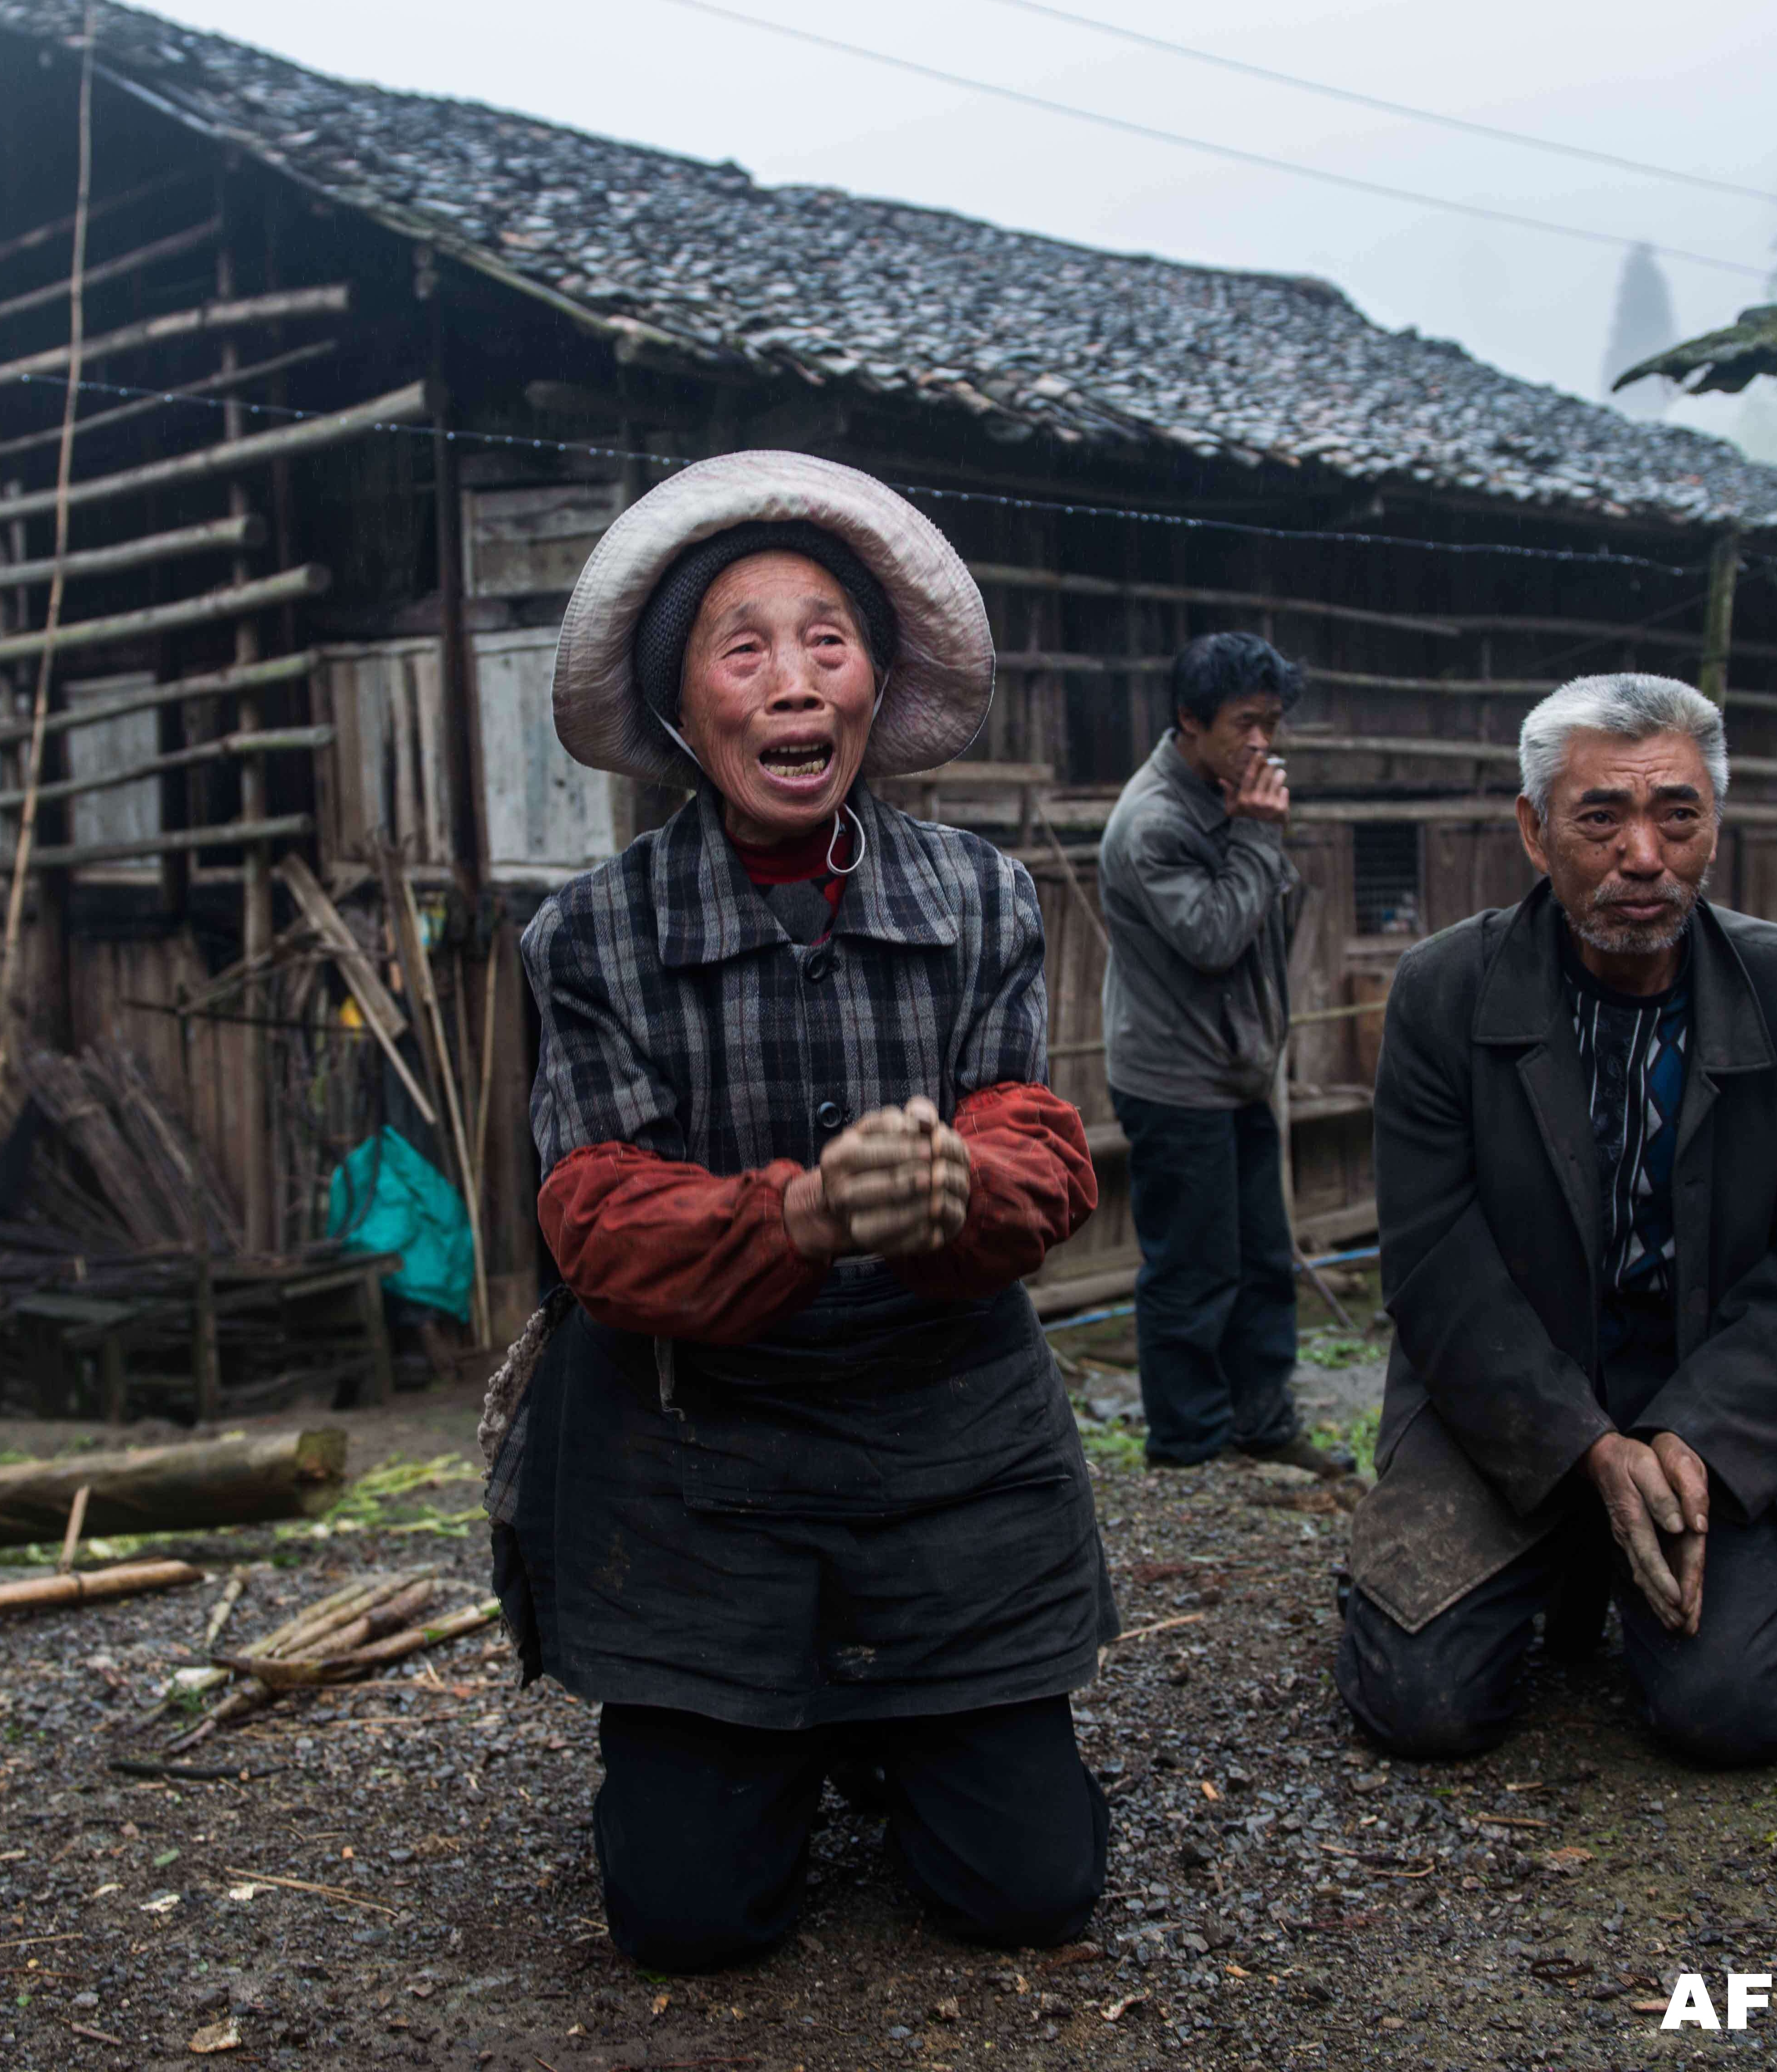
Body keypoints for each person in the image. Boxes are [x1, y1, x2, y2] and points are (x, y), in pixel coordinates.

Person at [490, 449, 1113, 1973]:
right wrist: (805, 1220)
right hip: (704, 1462)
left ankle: (888, 1721)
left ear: (874, 688)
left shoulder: (980, 897)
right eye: (746, 645)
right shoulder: (593, 935)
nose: (793, 682)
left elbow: (1037, 1136)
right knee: (690, 1921)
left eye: (826, 641)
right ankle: (784, 1732)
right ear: (681, 707)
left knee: (1029, 1892)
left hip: (945, 1450)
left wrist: (963, 1182)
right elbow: (596, 1216)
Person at [1334, 672, 1777, 1765]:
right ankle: (1538, 1539)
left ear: (1711, 827)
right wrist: (1581, 1443)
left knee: (1732, 1710)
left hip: (1718, 1388)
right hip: (1509, 1378)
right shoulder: (1443, 992)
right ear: (1535, 833)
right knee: (1423, 1704)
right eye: (1602, 817)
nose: (1644, 854)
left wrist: (1699, 1435)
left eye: (1675, 814)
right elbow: (1434, 1261)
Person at [1098, 631, 1346, 1476]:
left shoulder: (1234, 796)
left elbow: (1270, 924)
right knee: (1195, 1271)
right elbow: (1212, 936)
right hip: (1174, 1079)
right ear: (1190, 722)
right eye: (1245, 723)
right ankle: (1188, 1449)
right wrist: (1259, 841)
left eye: (1272, 722)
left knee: (1264, 1261)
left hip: (1239, 1068)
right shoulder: (1155, 821)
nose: (1262, 743)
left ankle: (1263, 1423)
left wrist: (1256, 840)